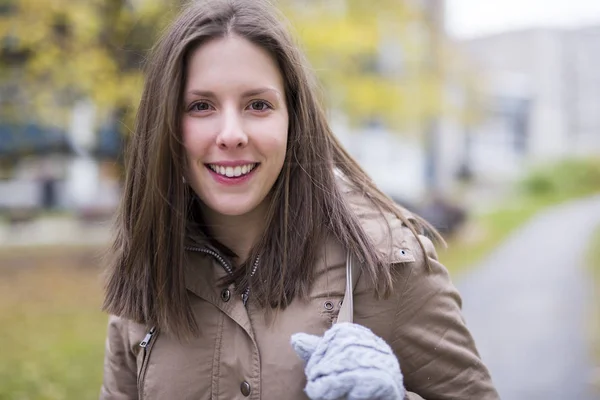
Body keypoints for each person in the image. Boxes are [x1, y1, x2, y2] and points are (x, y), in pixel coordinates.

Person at [100, 0, 499, 399]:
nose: (231, 133)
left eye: (258, 105)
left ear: (294, 118)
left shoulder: (384, 262)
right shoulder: (149, 270)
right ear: (165, 122)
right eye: (201, 106)